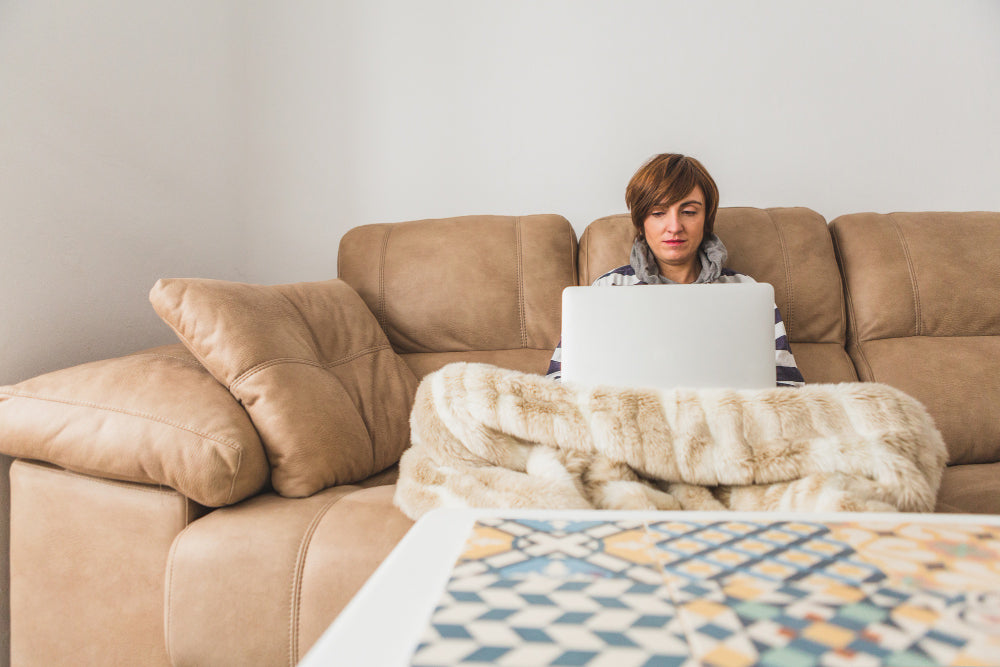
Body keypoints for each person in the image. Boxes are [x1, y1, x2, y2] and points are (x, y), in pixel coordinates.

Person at [547, 153, 805, 387]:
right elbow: (558, 382)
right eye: (658, 212)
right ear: (640, 223)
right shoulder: (608, 289)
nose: (674, 226)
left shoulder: (746, 291)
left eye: (689, 211)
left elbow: (788, 387)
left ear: (707, 219)